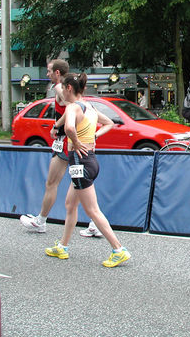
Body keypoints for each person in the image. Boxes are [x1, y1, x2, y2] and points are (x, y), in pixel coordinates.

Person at [45, 72, 131, 268]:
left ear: (68, 88)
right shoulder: (89, 107)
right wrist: (93, 137)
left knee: (92, 210)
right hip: (88, 161)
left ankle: (118, 249)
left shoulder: (74, 107)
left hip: (80, 162)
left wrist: (75, 142)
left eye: (61, 90)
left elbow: (68, 129)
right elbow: (109, 123)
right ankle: (63, 246)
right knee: (70, 205)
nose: (60, 96)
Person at [20, 59, 103, 237]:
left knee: (53, 183)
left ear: (58, 73)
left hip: (68, 143)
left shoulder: (60, 89)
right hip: (71, 142)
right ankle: (94, 223)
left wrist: (56, 127)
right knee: (79, 185)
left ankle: (41, 221)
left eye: (49, 71)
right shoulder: (69, 87)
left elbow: (71, 110)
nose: (47, 74)